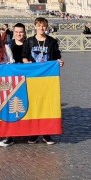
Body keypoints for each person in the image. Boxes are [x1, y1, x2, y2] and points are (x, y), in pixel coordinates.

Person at [22, 16, 64, 145]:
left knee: (47, 106)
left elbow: (57, 57)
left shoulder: (52, 42)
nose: (41, 28)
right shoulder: (29, 41)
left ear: (47, 27)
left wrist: (60, 62)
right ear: (35, 26)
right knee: (33, 106)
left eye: (44, 26)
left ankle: (47, 133)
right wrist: (27, 63)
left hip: (47, 80)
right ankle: (34, 133)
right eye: (39, 26)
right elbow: (24, 57)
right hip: (33, 80)